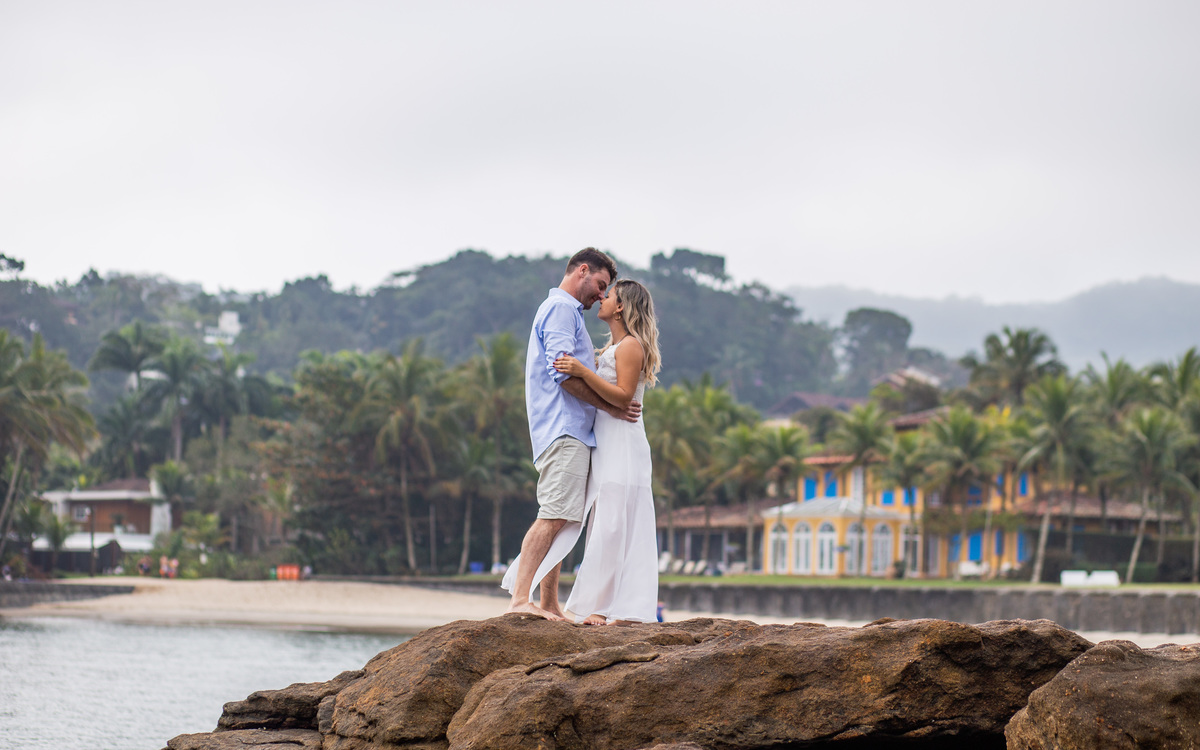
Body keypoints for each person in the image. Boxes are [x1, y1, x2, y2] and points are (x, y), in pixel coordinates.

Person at [502, 248, 639, 619]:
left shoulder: (567, 312)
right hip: (563, 428)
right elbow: (563, 375)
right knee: (553, 514)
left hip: (570, 429)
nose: (600, 294)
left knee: (565, 516)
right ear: (582, 270)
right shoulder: (561, 309)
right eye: (600, 284)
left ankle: (548, 602)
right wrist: (612, 408)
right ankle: (519, 600)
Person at [553, 279, 661, 624]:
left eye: (609, 295)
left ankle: (604, 607)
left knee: (615, 521)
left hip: (624, 442)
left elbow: (623, 397)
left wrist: (583, 370)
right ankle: (601, 604)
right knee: (605, 518)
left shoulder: (630, 346)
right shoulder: (612, 348)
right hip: (608, 440)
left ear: (621, 307)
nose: (601, 297)